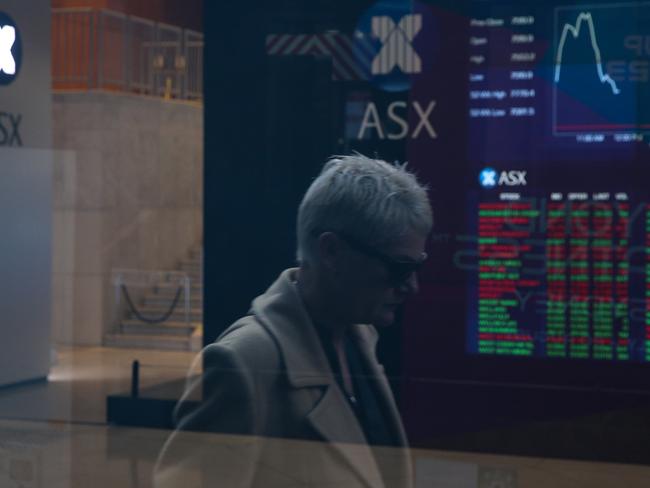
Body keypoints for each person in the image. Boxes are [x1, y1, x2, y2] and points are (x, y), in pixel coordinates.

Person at [154, 154, 433, 488]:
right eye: (399, 268)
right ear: (331, 251)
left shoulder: (360, 337)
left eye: (417, 267)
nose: (411, 287)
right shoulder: (244, 363)